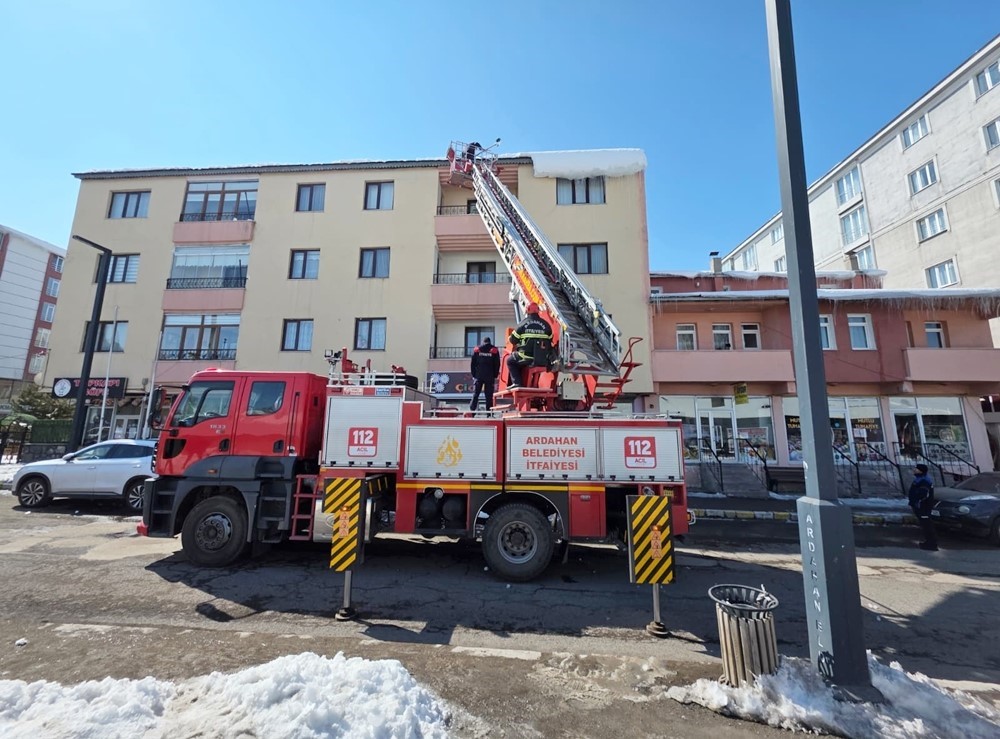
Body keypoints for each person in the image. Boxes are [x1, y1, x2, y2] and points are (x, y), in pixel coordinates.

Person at [506, 302, 553, 388]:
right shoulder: (546, 325)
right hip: (541, 358)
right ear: (538, 311)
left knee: (510, 361)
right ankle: (534, 384)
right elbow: (549, 341)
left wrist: (510, 338)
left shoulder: (522, 324)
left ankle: (517, 383)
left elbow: (513, 340)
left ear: (527, 310)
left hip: (525, 356)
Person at [908, 463, 938, 551]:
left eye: (916, 469)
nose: (914, 470)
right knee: (925, 525)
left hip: (923, 506)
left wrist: (917, 501)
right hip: (920, 505)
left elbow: (923, 494)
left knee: (927, 525)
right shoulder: (919, 479)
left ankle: (932, 544)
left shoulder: (924, 481)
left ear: (921, 471)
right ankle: (928, 542)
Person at [469, 337, 500, 411]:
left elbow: (472, 363)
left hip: (479, 375)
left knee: (476, 394)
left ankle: (472, 411)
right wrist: (495, 375)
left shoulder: (477, 349)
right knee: (489, 396)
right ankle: (489, 414)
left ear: (483, 342)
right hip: (489, 375)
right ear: (490, 342)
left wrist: (474, 374)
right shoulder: (494, 350)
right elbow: (497, 364)